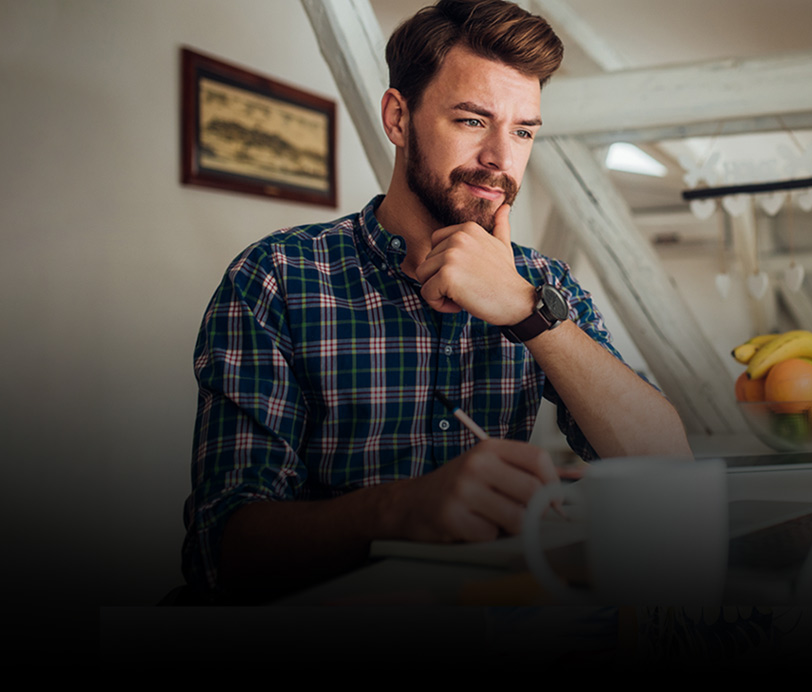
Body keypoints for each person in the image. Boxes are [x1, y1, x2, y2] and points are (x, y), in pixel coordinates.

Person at [182, 0, 690, 601]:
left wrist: (528, 311)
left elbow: (667, 465)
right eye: (473, 120)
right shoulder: (277, 276)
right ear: (398, 118)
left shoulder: (543, 285)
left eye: (523, 130)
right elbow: (224, 552)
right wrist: (398, 509)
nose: (502, 158)